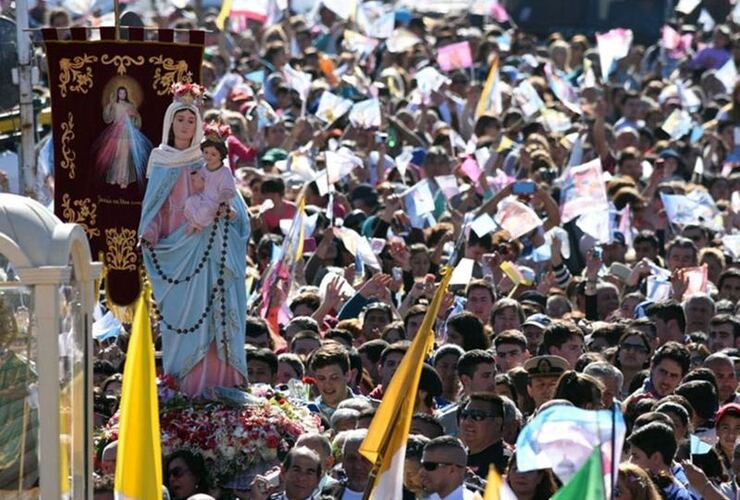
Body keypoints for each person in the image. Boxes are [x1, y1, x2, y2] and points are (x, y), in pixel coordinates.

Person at [139, 81, 250, 397]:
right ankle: (184, 389)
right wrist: (148, 234)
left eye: (191, 120)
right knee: (183, 323)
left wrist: (229, 214)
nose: (185, 125)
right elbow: (154, 211)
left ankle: (222, 387)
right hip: (177, 251)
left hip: (212, 249)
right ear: (169, 122)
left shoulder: (209, 160)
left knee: (218, 315)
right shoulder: (160, 159)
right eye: (180, 119)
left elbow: (238, 210)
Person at [93, 84, 152, 190]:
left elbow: (137, 120)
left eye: (124, 93)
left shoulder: (130, 106)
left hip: (127, 133)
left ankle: (123, 179)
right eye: (120, 93)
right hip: (115, 133)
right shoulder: (114, 105)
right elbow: (108, 118)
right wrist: (110, 105)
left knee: (124, 156)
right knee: (115, 155)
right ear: (117, 94)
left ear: (126, 94)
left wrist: (134, 116)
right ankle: (114, 177)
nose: (122, 94)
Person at [183, 124, 238, 234]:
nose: (208, 156)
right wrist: (197, 179)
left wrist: (223, 198)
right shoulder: (204, 168)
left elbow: (228, 189)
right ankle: (196, 222)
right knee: (189, 202)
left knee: (206, 210)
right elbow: (201, 185)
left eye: (213, 154)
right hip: (203, 196)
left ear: (220, 156)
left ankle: (196, 224)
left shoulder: (224, 172)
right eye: (206, 152)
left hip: (216, 200)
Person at [627, 422, 694, 499]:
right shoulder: (638, 489)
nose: (630, 462)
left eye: (636, 456)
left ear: (656, 458)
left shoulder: (678, 496)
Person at [458, 393, 512, 477]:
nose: (467, 422)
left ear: (497, 422)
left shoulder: (507, 463)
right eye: (464, 415)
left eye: (478, 416)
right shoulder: (457, 460)